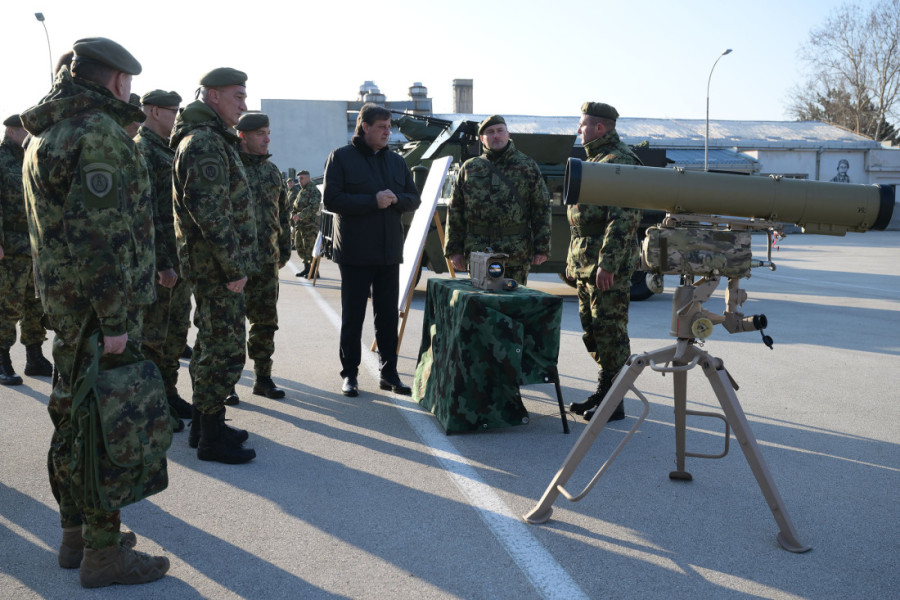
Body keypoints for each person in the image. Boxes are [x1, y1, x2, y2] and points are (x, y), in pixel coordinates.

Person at [21, 36, 169, 587]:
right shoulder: (99, 133)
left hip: (66, 307)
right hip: (97, 313)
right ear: (116, 81)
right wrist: (113, 322)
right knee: (105, 429)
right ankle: (104, 555)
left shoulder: (46, 133)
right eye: (128, 83)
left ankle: (75, 535)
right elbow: (100, 238)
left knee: (73, 419)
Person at [171, 67, 257, 464]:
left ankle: (208, 427)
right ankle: (210, 438)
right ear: (213, 96)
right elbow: (209, 211)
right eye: (237, 96)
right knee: (223, 350)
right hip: (217, 269)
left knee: (211, 345)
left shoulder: (212, 139)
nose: (243, 104)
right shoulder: (204, 142)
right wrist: (233, 266)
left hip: (213, 267)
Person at [323, 103, 420, 397]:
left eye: (389, 127)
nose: (387, 132)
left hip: (389, 252)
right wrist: (372, 200)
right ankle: (350, 375)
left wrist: (395, 199)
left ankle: (389, 373)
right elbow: (331, 200)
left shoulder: (397, 162)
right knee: (353, 316)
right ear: (364, 127)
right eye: (381, 127)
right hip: (355, 252)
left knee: (388, 316)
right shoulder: (341, 157)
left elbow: (413, 199)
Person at [566, 102, 642, 422]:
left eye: (583, 125)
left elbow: (622, 219)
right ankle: (606, 391)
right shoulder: (597, 160)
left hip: (606, 264)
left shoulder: (619, 161)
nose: (579, 130)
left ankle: (615, 402)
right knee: (594, 331)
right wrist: (574, 262)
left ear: (600, 127)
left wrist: (607, 264)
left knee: (610, 331)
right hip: (587, 261)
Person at [134, 89, 193, 428]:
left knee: (174, 336)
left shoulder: (166, 149)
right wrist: (162, 263)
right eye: (173, 111)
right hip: (161, 265)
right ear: (154, 111)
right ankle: (152, 407)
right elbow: (148, 213)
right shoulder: (142, 150)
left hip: (177, 259)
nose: (177, 117)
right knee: (153, 340)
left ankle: (168, 394)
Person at [444, 114, 551, 285]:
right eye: (490, 132)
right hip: (479, 251)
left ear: (508, 134)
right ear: (482, 138)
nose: (496, 135)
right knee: (481, 305)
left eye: (500, 131)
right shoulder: (469, 168)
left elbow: (542, 209)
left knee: (513, 305)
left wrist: (542, 248)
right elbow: (455, 211)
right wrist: (454, 250)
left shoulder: (527, 166)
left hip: (515, 252)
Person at [235, 111, 290, 399]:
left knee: (265, 322)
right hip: (235, 263)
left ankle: (263, 379)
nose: (267, 138)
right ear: (242, 136)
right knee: (230, 326)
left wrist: (285, 247)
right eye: (260, 133)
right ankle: (227, 384)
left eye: (268, 132)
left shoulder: (272, 172)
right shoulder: (229, 167)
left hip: (267, 261)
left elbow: (283, 212)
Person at [0, 114, 53, 386]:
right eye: (25, 130)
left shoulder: (30, 156)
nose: (30, 133)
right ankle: (3, 359)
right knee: (7, 306)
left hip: (34, 245)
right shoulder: (1, 160)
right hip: (10, 247)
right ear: (11, 131)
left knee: (36, 304)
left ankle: (35, 356)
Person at [292, 169, 322, 278]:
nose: (299, 181)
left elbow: (313, 207)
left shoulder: (313, 190)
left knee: (310, 249)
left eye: (302, 178)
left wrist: (300, 215)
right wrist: (293, 214)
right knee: (301, 247)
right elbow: (296, 206)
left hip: (310, 225)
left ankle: (314, 272)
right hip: (300, 225)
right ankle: (307, 269)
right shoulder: (302, 191)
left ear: (308, 178)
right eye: (299, 178)